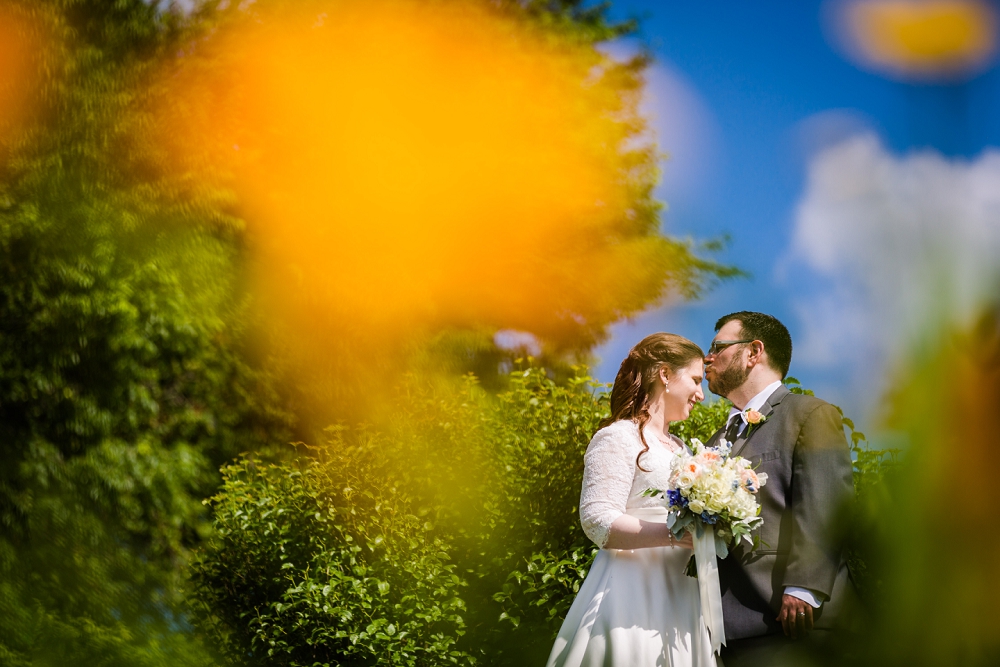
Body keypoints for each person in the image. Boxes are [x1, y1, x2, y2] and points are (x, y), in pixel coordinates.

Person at [546, 333, 718, 667]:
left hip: (684, 593)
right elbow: (597, 519)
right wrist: (672, 535)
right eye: (696, 380)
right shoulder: (617, 436)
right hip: (630, 589)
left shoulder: (683, 448)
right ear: (665, 375)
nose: (701, 394)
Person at [703, 311, 856, 667]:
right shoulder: (714, 441)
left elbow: (826, 504)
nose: (707, 358)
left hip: (794, 623)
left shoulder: (809, 414)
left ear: (754, 352)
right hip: (725, 631)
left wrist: (803, 587)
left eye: (717, 347)